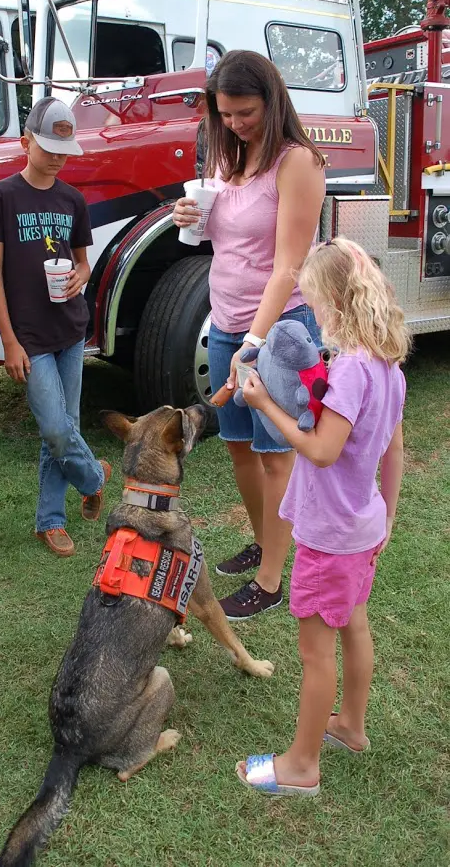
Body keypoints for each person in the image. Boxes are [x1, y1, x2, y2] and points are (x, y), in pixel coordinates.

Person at [235, 238, 409, 796]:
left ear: (337, 301)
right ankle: (351, 726)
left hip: (329, 535)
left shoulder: (353, 371)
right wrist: (387, 518)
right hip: (362, 527)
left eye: (313, 303)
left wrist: (264, 406)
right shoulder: (389, 368)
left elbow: (321, 449)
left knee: (316, 653)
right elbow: (394, 451)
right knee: (354, 625)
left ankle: (301, 765)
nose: (313, 315)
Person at [173, 50, 326, 619]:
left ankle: (270, 579)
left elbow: (289, 264)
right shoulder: (226, 157)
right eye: (226, 114)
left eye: (245, 112)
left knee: (275, 454)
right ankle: (265, 540)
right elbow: (217, 238)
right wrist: (189, 218)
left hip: (278, 329)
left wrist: (255, 343)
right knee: (238, 443)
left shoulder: (298, 163)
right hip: (227, 320)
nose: (235, 123)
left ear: (271, 99)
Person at [0, 97, 110, 558]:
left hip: (69, 328)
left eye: (64, 147)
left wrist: (81, 275)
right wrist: (8, 341)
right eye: (49, 145)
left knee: (64, 425)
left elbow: (83, 263)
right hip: (28, 335)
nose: (57, 155)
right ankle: (94, 475)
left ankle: (50, 521)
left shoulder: (72, 199)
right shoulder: (3, 196)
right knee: (55, 426)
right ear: (26, 140)